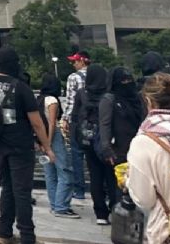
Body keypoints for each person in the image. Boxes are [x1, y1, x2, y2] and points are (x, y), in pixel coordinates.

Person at [0, 47, 54, 244]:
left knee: (7, 188)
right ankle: (27, 237)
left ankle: (4, 234)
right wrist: (47, 147)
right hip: (20, 145)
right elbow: (36, 122)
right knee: (22, 192)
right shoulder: (20, 87)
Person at [126, 72, 170, 244]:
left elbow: (144, 199)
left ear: (149, 101)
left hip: (166, 231)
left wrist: (128, 180)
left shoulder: (145, 142)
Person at [74, 64, 117, 225]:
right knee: (111, 176)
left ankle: (100, 214)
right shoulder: (110, 95)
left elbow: (75, 116)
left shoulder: (82, 93)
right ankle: (115, 208)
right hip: (107, 139)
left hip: (88, 139)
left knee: (95, 176)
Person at [38, 73, 79, 218]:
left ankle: (55, 204)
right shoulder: (52, 101)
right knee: (64, 171)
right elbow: (52, 123)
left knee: (50, 173)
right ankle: (61, 206)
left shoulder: (39, 99)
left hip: (40, 136)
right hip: (52, 137)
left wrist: (41, 142)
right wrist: (48, 144)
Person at [99, 67, 144, 167]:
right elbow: (105, 124)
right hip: (119, 149)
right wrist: (106, 148)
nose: (127, 83)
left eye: (129, 80)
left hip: (139, 146)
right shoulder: (109, 100)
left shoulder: (137, 98)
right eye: (123, 81)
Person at [61, 50, 90, 201]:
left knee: (77, 155)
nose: (73, 64)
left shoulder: (73, 77)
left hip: (77, 120)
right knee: (94, 155)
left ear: (82, 61)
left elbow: (70, 100)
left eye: (75, 61)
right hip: (93, 120)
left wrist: (65, 119)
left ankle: (79, 190)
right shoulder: (98, 75)